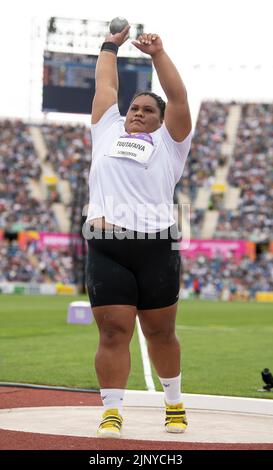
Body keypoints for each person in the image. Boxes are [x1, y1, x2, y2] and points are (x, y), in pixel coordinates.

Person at [86, 24, 192, 438]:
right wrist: (109, 46)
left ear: (162, 122)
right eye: (135, 108)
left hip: (155, 247)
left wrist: (159, 55)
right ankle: (112, 412)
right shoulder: (106, 128)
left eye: (148, 110)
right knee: (114, 332)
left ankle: (174, 404)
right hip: (107, 245)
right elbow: (105, 86)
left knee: (160, 332)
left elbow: (179, 98)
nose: (138, 113)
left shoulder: (171, 143)